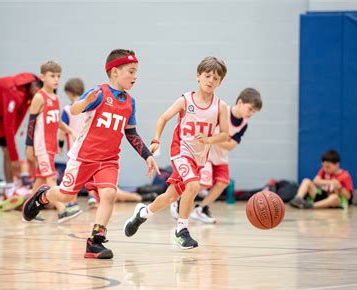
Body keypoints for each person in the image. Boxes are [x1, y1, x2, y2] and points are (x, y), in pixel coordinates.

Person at [22, 49, 159, 259]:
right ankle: (43, 196)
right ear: (114, 72)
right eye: (131, 72)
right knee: (67, 195)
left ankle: (95, 241)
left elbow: (131, 133)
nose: (135, 76)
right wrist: (85, 103)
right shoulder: (99, 93)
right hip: (84, 157)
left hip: (109, 159)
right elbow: (76, 110)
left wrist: (147, 155)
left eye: (136, 72)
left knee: (109, 194)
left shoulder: (129, 102)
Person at [123, 56, 229, 250]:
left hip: (199, 157)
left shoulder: (220, 106)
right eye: (207, 76)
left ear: (220, 82)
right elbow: (163, 118)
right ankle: (181, 231)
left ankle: (143, 213)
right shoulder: (185, 100)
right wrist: (156, 140)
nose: (210, 80)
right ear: (198, 76)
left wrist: (210, 140)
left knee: (170, 197)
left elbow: (225, 135)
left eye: (216, 78)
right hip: (181, 151)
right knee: (194, 186)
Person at [170, 88, 263, 223]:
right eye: (250, 109)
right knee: (203, 182)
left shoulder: (244, 124)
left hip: (221, 155)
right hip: (207, 152)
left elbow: (231, 146)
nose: (251, 113)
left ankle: (201, 208)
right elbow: (212, 135)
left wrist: (217, 139)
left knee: (223, 182)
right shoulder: (222, 110)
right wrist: (215, 140)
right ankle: (178, 200)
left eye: (254, 112)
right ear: (240, 102)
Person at [25, 61, 82, 223]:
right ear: (42, 77)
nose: (56, 79)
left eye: (58, 76)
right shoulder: (38, 97)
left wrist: (69, 130)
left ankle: (28, 211)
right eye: (52, 76)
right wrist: (29, 146)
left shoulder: (56, 98)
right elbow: (31, 123)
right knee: (51, 178)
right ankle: (62, 211)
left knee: (40, 180)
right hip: (41, 145)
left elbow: (56, 121)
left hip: (51, 145)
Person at [0, 72, 42, 208]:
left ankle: (9, 190)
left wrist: (12, 152)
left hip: (2, 110)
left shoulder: (30, 94)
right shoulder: (13, 92)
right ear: (34, 88)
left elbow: (16, 123)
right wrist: (15, 159)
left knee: (8, 150)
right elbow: (8, 126)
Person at [58, 78, 98, 209]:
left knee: (72, 176)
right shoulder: (89, 106)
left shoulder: (67, 110)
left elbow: (62, 130)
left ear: (69, 93)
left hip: (74, 148)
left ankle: (72, 202)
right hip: (91, 146)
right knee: (90, 173)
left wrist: (60, 145)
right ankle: (92, 196)